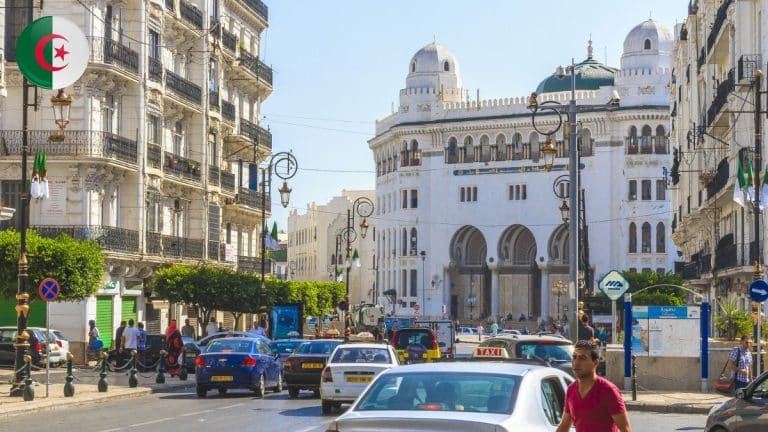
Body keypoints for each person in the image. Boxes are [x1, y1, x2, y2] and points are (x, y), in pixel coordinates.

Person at [556, 340, 632, 432]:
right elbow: (564, 426)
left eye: (582, 358)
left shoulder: (608, 390)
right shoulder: (571, 389)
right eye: (574, 357)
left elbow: (626, 429)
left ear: (595, 363)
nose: (576, 362)